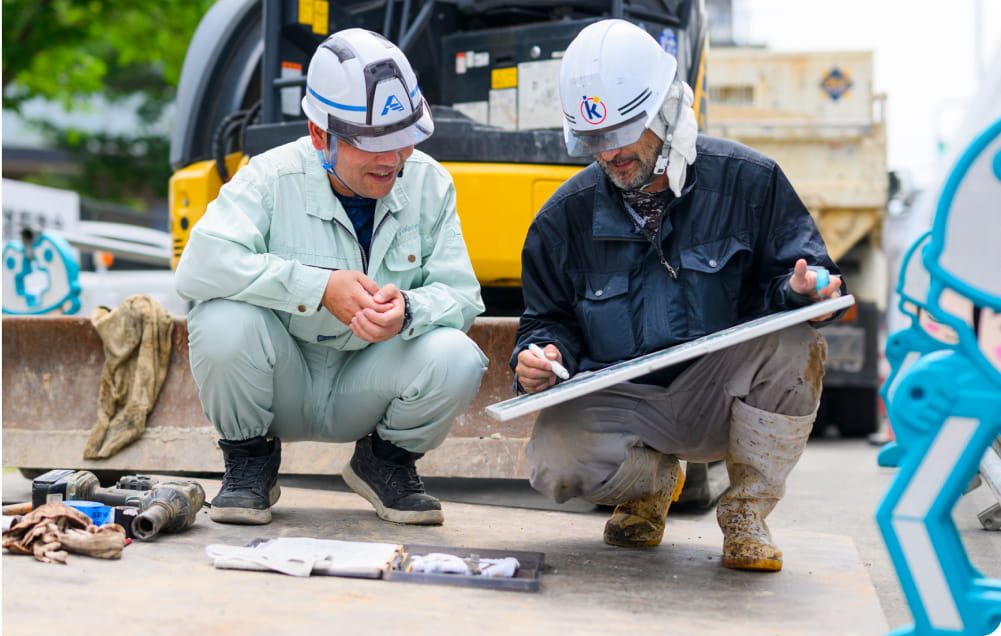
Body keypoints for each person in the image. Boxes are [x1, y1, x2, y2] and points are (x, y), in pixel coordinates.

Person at [511, 19, 845, 572]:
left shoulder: (749, 182)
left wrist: (799, 291)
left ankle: (747, 514)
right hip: (628, 401)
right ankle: (649, 487)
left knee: (796, 346)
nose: (610, 153)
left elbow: (807, 277)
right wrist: (541, 355)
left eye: (623, 133)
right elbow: (548, 320)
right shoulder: (560, 220)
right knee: (554, 458)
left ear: (667, 112)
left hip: (722, 396)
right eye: (595, 140)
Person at [175, 28, 487, 527]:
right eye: (372, 144)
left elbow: (462, 296)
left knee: (457, 355)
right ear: (320, 135)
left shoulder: (431, 182)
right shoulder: (271, 177)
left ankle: (385, 465)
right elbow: (199, 266)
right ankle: (249, 464)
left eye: (402, 139)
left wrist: (409, 311)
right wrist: (317, 288)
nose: (392, 159)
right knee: (220, 318)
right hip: (283, 384)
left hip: (368, 386)